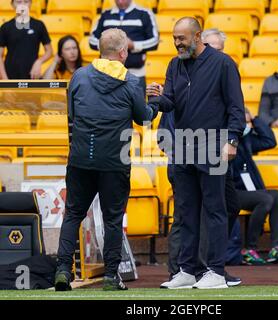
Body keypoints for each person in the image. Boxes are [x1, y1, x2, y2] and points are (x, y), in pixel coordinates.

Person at [54, 28, 158, 292]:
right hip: (114, 161)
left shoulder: (79, 76)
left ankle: (63, 271)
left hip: (80, 157)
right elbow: (144, 118)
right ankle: (112, 276)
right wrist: (155, 102)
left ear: (101, 50)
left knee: (73, 215)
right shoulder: (132, 82)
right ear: (123, 52)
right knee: (112, 219)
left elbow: (73, 114)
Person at [147, 18, 245, 289]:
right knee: (186, 211)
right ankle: (188, 270)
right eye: (174, 38)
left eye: (182, 38)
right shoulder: (174, 64)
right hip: (183, 147)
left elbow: (236, 106)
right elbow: (171, 103)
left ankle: (215, 270)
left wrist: (233, 139)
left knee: (215, 209)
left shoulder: (223, 63)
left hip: (213, 145)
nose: (177, 43)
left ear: (198, 36)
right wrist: (156, 97)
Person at [232, 108, 278, 265]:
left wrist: (255, 119)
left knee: (276, 194)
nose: (246, 125)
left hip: (249, 191)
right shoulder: (227, 140)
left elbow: (270, 141)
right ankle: (249, 248)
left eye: (246, 121)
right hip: (232, 191)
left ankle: (276, 246)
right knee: (265, 199)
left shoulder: (247, 139)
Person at [89, 0, 159, 94]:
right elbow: (92, 40)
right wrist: (110, 44)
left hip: (135, 73)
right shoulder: (105, 14)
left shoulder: (144, 13)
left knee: (136, 107)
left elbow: (155, 41)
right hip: (107, 74)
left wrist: (133, 45)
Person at [0, 0, 53, 79]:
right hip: (10, 75)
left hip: (32, 76)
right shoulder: (5, 27)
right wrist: (5, 79)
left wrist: (39, 62)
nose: (22, 5)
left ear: (31, 3)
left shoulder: (39, 25)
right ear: (12, 4)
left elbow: (49, 51)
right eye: (19, 2)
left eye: (26, 1)